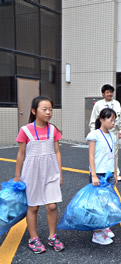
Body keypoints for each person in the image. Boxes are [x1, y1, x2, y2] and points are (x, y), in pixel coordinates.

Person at [14, 96, 65, 254]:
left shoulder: (53, 129)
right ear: (34, 111)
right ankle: (33, 238)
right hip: (32, 173)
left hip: (51, 171)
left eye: (50, 109)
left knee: (52, 205)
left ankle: (52, 236)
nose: (49, 112)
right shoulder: (25, 130)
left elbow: (57, 152)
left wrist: (60, 173)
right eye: (44, 109)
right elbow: (21, 154)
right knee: (33, 206)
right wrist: (17, 176)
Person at [86, 108, 118, 245]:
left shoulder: (112, 136)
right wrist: (93, 174)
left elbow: (114, 156)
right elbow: (91, 155)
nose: (113, 122)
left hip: (109, 173)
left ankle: (104, 226)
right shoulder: (94, 134)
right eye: (110, 119)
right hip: (98, 174)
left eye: (114, 120)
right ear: (101, 120)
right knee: (97, 204)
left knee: (107, 203)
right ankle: (96, 233)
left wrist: (115, 172)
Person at [89, 84, 121, 181]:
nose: (110, 94)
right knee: (99, 153)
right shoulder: (98, 104)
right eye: (107, 92)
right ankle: (94, 171)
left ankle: (115, 172)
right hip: (101, 133)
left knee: (114, 153)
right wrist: (95, 133)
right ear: (103, 94)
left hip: (113, 132)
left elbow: (120, 118)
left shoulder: (116, 103)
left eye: (111, 92)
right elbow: (93, 119)